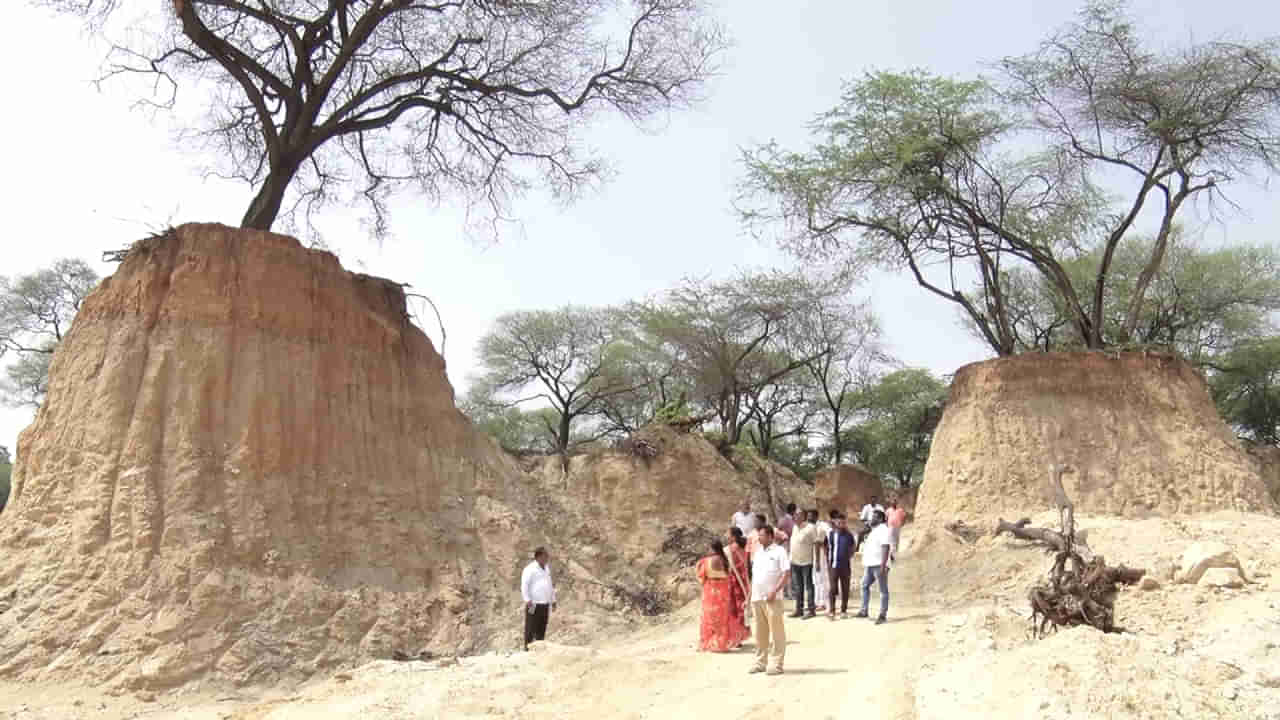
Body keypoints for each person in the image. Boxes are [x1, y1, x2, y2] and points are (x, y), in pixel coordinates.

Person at [749, 525, 790, 676]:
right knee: (760, 633)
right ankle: (760, 662)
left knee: (776, 632)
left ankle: (776, 664)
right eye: (759, 535)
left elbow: (786, 574)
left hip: (773, 598)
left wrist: (774, 591)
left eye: (762, 535)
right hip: (757, 598)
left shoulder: (779, 551)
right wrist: (749, 597)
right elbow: (755, 577)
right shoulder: (758, 553)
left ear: (771, 536)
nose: (759, 538)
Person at [696, 540, 750, 652]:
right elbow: (728, 577)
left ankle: (708, 643)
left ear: (712, 549)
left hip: (710, 593)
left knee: (709, 618)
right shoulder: (725, 561)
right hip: (723, 594)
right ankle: (721, 644)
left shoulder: (705, 561)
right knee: (723, 619)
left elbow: (701, 577)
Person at [857, 510, 893, 624]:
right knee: (864, 585)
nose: (871, 519)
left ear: (880, 519)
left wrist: (883, 565)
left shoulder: (883, 530)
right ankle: (864, 611)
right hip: (870, 565)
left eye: (874, 517)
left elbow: (886, 547)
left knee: (882, 590)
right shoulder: (874, 530)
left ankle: (882, 615)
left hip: (879, 565)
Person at [521, 547, 556, 650]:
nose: (547, 558)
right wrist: (527, 600)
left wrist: (553, 600)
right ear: (539, 557)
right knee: (531, 627)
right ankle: (527, 649)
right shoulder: (530, 569)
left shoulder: (547, 568)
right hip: (533, 604)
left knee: (542, 627)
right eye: (545, 556)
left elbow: (549, 585)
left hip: (545, 604)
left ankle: (539, 650)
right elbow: (524, 585)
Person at [788, 509, 819, 619]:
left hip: (807, 562)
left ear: (804, 516)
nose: (795, 516)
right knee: (798, 587)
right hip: (795, 562)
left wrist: (817, 561)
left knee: (809, 586)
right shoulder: (795, 527)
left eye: (798, 515)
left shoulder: (811, 527)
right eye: (795, 514)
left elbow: (816, 544)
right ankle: (799, 610)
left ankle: (811, 610)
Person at [826, 513, 857, 618]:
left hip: (845, 567)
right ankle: (832, 611)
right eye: (838, 522)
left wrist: (848, 556)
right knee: (833, 588)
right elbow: (827, 548)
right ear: (835, 522)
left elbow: (853, 547)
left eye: (843, 522)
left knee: (845, 589)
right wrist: (829, 562)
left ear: (845, 523)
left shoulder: (849, 535)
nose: (841, 524)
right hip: (833, 566)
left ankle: (843, 611)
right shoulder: (831, 534)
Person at [726, 527, 752, 636]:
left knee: (734, 608)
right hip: (743, 580)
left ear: (733, 536)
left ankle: (737, 635)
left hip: (735, 581)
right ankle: (741, 634)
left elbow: (730, 567)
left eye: (727, 534)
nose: (726, 536)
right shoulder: (744, 547)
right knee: (741, 607)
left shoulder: (732, 549)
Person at [812, 510, 831, 613]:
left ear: (816, 516)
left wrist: (819, 561)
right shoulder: (810, 527)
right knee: (815, 580)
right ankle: (816, 602)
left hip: (821, 556)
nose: (809, 518)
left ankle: (822, 603)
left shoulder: (823, 526)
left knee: (822, 579)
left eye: (811, 516)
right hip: (812, 556)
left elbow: (826, 540)